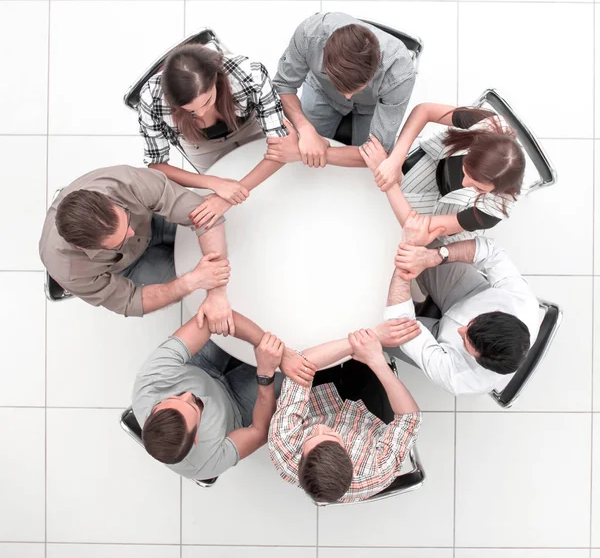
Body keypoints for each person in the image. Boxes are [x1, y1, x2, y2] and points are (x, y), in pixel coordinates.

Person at [39, 165, 233, 333]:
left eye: (126, 219)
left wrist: (216, 290)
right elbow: (131, 301)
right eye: (120, 240)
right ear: (84, 248)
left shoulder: (127, 182)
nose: (132, 233)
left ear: (109, 201)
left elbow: (205, 215)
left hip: (154, 218)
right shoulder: (70, 270)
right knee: (201, 293)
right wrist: (188, 283)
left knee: (232, 248)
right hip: (128, 266)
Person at [133, 306, 310, 480]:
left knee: (245, 310)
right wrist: (266, 374)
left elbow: (212, 317)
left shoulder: (149, 384)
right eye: (193, 406)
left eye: (175, 396)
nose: (188, 395)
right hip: (237, 405)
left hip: (201, 366)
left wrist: (272, 347)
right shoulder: (206, 463)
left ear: (152, 412)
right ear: (196, 438)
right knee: (301, 363)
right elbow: (259, 431)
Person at [138, 41, 297, 231]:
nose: (202, 114)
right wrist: (213, 182)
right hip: (198, 144)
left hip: (248, 124)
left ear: (215, 78)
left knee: (280, 187)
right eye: (191, 111)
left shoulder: (249, 73)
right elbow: (157, 165)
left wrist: (231, 195)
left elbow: (283, 148)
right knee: (240, 216)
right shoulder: (151, 98)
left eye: (207, 102)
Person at [384, 211, 539, 395]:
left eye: (466, 342)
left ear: (478, 361)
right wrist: (437, 255)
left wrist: (406, 255)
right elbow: (490, 251)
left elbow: (398, 321)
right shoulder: (521, 303)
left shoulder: (459, 378)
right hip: (468, 293)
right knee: (423, 240)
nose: (460, 329)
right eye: (473, 322)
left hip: (440, 343)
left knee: (375, 330)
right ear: (498, 313)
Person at [269, 321, 422, 503]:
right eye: (330, 435)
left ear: (301, 459)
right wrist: (375, 359)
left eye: (310, 437)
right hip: (368, 415)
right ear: (348, 454)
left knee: (322, 336)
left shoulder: (284, 445)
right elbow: (409, 418)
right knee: (366, 356)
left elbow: (303, 362)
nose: (319, 428)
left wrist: (366, 339)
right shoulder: (377, 471)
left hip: (317, 398)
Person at [359, 103, 526, 244]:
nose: (464, 183)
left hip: (453, 209)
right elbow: (424, 110)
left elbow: (415, 228)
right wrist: (395, 158)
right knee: (381, 201)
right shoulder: (486, 124)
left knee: (389, 221)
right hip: (438, 162)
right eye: (466, 171)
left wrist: (384, 174)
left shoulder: (493, 210)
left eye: (478, 187)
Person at [267, 12, 415, 168]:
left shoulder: (400, 73)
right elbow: (283, 85)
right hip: (321, 91)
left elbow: (378, 154)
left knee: (372, 168)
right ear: (324, 56)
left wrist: (304, 153)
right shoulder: (309, 35)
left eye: (357, 87)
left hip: (373, 104)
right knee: (303, 165)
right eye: (339, 84)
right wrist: (304, 128)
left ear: (377, 62)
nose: (348, 96)